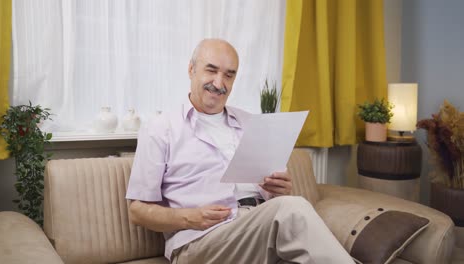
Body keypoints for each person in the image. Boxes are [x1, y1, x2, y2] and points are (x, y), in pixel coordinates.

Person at [126, 38, 354, 264]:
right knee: (291, 208)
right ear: (191, 69)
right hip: (201, 241)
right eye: (211, 70)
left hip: (257, 230)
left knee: (294, 218)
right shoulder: (160, 128)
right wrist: (190, 218)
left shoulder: (250, 123)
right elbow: (137, 210)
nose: (219, 83)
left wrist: (278, 190)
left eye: (229, 75)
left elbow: (276, 200)